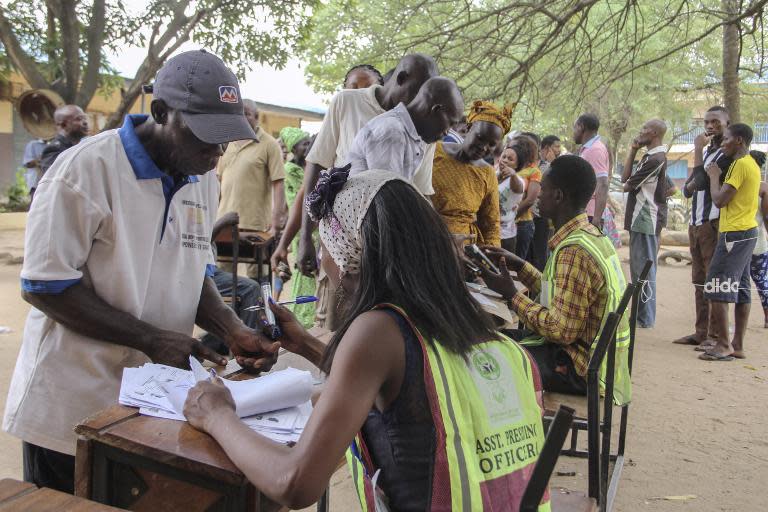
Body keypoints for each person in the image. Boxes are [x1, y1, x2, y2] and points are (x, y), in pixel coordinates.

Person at [183, 169, 551, 511]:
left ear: (348, 254)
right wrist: (307, 344)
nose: (322, 257)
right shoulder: (473, 322)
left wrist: (217, 414)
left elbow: (293, 483)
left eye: (324, 243)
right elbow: (404, 386)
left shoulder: (377, 331)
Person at [2, 50, 279, 493]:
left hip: (147, 403)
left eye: (225, 138)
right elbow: (45, 286)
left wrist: (229, 328)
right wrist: (150, 338)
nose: (216, 151)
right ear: (160, 112)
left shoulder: (202, 176)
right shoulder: (84, 171)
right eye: (205, 136)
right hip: (72, 402)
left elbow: (194, 269)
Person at [272, 53, 438, 330]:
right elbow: (316, 168)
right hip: (343, 244)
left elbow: (420, 193)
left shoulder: (423, 124)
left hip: (391, 246)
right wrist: (304, 239)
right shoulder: (346, 102)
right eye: (420, 92)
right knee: (340, 322)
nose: (421, 102)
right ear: (401, 79)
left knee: (384, 323)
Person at [480, 155, 630, 401]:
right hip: (596, 359)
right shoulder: (590, 235)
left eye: (544, 189)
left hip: (580, 368)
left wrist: (512, 295)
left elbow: (561, 331)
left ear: (558, 196)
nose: (537, 194)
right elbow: (564, 295)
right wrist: (520, 266)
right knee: (490, 338)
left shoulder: (574, 251)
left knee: (486, 356)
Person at [699, 123, 761, 361]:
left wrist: (714, 176)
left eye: (726, 139)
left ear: (740, 141)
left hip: (734, 233)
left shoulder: (739, 165)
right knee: (742, 288)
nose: (722, 142)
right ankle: (738, 344)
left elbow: (720, 200)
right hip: (746, 232)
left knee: (717, 285)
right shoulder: (752, 165)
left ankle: (723, 344)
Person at [673, 106, 731, 348]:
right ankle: (701, 331)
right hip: (695, 223)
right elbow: (688, 188)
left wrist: (696, 149)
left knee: (713, 280)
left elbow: (699, 181)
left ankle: (716, 336)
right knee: (699, 280)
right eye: (706, 122)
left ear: (727, 123)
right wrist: (694, 179)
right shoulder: (708, 153)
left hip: (712, 224)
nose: (709, 126)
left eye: (715, 122)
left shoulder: (726, 154)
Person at [346, 76, 464, 194]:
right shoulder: (392, 132)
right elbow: (389, 198)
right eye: (450, 123)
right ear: (436, 110)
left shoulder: (409, 134)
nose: (447, 132)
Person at [216, 99, 287, 279]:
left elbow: (278, 183)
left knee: (257, 280)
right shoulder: (227, 143)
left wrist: (277, 220)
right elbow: (218, 181)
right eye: (238, 113)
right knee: (221, 278)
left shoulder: (269, 144)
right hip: (224, 224)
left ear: (256, 117)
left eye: (246, 113)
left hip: (255, 225)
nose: (241, 117)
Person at [431, 100, 511, 246]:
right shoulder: (434, 151)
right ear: (468, 128)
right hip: (425, 236)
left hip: (462, 249)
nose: (483, 147)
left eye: (491, 144)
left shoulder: (487, 173)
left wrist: (495, 257)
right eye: (480, 138)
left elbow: (491, 223)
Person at [620, 119, 669, 329]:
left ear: (655, 133)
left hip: (646, 219)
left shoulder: (656, 158)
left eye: (645, 129)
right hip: (640, 220)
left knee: (645, 270)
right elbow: (626, 178)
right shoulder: (649, 157)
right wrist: (632, 150)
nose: (641, 132)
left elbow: (627, 184)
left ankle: (645, 318)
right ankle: (641, 316)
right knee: (639, 269)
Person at [201, 211, 266, 355]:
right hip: (199, 273)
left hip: (210, 270)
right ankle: (247, 347)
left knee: (239, 296)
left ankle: (214, 342)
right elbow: (198, 243)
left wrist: (238, 236)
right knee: (250, 289)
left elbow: (205, 234)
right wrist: (222, 222)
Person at [279, 126, 316, 328]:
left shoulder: (311, 164)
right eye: (303, 144)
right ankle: (303, 316)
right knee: (305, 271)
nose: (308, 145)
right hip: (302, 228)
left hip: (314, 224)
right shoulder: (291, 170)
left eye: (308, 141)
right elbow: (298, 200)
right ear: (294, 149)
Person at [573, 113, 610, 229]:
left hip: (590, 215)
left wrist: (596, 218)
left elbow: (603, 183)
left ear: (581, 127)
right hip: (585, 212)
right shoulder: (588, 149)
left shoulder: (595, 150)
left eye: (575, 128)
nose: (573, 132)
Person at [511, 134, 543, 260]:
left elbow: (530, 200)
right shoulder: (510, 167)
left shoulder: (534, 171)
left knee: (515, 263)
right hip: (505, 223)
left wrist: (511, 217)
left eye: (512, 147)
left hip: (522, 224)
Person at [497, 141, 530, 254]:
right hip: (487, 230)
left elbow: (518, 188)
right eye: (504, 156)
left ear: (517, 165)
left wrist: (513, 175)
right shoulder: (494, 174)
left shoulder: (517, 180)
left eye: (510, 159)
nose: (505, 160)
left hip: (505, 236)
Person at [39, 105, 89, 174]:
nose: (85, 122)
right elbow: (53, 180)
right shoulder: (54, 149)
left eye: (85, 118)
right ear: (64, 125)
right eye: (79, 119)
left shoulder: (80, 146)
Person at [751, 178, 768, 328]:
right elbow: (767, 218)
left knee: (733, 284)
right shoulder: (763, 187)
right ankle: (767, 317)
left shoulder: (736, 183)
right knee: (762, 281)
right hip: (758, 242)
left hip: (738, 242)